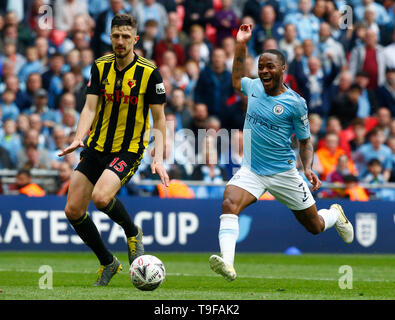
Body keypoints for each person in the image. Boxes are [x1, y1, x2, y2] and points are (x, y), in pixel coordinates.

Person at [209, 24, 354, 282]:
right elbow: (234, 80)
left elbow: (306, 141)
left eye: (270, 66)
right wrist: (240, 44)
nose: (264, 71)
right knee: (229, 203)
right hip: (252, 169)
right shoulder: (252, 86)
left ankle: (334, 214)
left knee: (315, 227)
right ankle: (228, 265)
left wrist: (307, 167)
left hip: (284, 173)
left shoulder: (296, 104)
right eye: (261, 66)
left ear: (282, 69)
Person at [58, 14, 169, 287]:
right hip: (96, 146)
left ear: (135, 39)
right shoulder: (99, 66)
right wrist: (78, 137)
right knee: (72, 210)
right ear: (110, 37)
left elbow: (160, 119)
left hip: (128, 149)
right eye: (116, 36)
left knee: (101, 196)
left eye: (126, 37)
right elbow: (89, 107)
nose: (120, 41)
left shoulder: (149, 72)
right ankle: (108, 262)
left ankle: (132, 232)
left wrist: (158, 158)